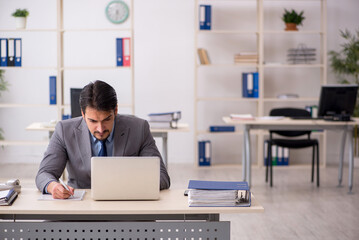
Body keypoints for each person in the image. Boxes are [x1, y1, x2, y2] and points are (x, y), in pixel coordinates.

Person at [35, 80, 170, 199]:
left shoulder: (139, 128)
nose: (100, 129)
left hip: (126, 205)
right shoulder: (64, 130)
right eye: (93, 121)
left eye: (106, 119)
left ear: (115, 111)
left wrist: (128, 185)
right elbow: (44, 174)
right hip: (81, 209)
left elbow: (162, 178)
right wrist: (53, 186)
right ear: (83, 114)